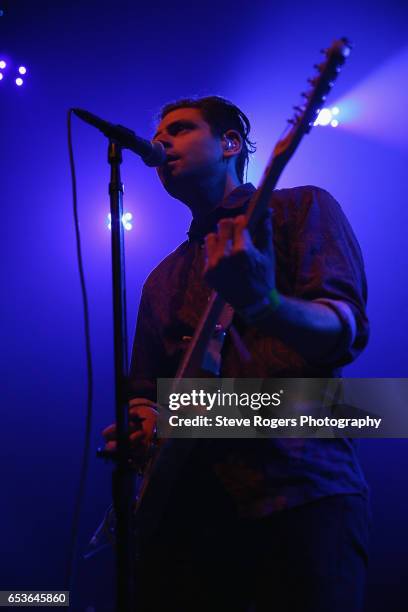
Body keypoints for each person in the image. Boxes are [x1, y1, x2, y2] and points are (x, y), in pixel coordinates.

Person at [102, 96, 370, 612]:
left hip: (301, 492)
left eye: (179, 130)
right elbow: (147, 396)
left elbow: (346, 332)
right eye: (158, 134)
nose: (160, 142)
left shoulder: (301, 208)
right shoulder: (160, 279)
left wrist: (264, 303)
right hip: (193, 525)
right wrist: (141, 424)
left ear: (230, 143)